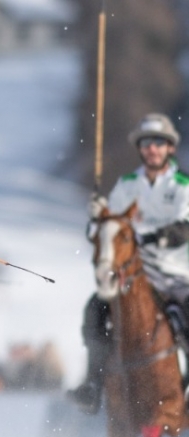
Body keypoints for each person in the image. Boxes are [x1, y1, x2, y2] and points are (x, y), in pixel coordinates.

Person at [69, 113, 189, 414]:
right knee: (95, 310)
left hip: (176, 275)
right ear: (140, 148)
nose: (153, 149)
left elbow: (184, 227)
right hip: (135, 276)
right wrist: (98, 216)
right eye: (147, 143)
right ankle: (92, 385)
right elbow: (108, 229)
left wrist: (147, 237)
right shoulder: (126, 185)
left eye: (159, 143)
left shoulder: (182, 185)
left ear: (170, 148)